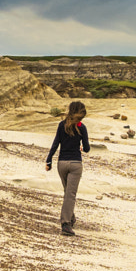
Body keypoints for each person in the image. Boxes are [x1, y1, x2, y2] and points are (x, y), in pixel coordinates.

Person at [44, 100, 91, 236]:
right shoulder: (81, 126)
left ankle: (71, 217)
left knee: (68, 193)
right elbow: (87, 148)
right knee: (70, 194)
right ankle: (65, 224)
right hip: (75, 164)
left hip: (62, 164)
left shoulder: (61, 124)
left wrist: (49, 161)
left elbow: (55, 144)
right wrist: (82, 147)